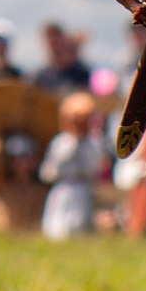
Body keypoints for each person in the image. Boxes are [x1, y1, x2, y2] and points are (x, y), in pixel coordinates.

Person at [40, 92, 109, 238]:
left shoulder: (92, 144)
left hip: (83, 191)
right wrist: (72, 145)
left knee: (81, 230)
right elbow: (50, 171)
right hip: (64, 190)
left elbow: (94, 167)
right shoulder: (61, 142)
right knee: (59, 230)